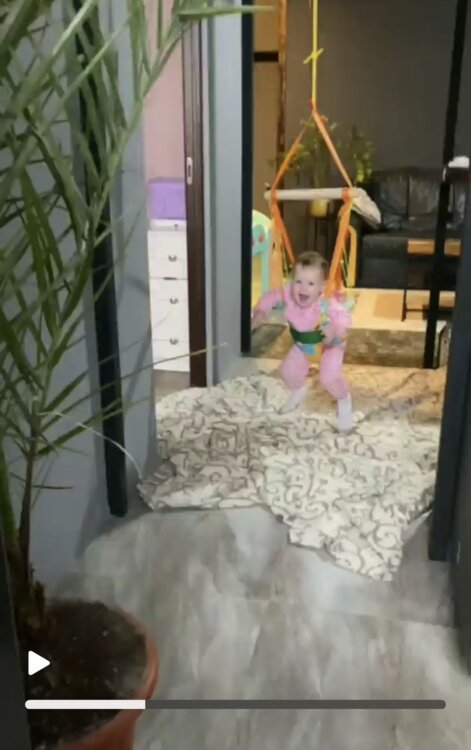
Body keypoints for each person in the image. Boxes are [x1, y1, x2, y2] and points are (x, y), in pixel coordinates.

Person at [252, 251, 353, 431]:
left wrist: (333, 331)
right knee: (287, 373)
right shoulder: (288, 293)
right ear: (292, 281)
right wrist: (260, 311)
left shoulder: (326, 303)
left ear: (322, 287)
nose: (303, 288)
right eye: (298, 282)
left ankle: (344, 400)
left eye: (311, 284)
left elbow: (343, 319)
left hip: (330, 344)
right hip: (305, 343)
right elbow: (271, 296)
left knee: (329, 378)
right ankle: (299, 390)